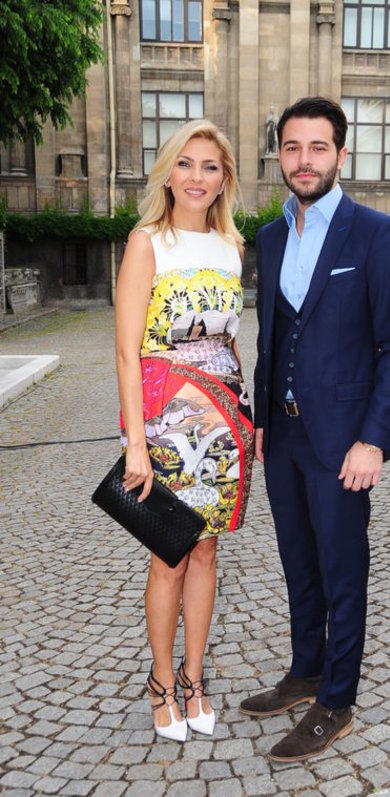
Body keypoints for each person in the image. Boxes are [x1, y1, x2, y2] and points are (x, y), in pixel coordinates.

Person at [240, 97, 390, 762]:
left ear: (341, 154)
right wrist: (262, 420)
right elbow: (272, 338)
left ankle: (336, 700)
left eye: (318, 147)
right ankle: (305, 672)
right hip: (283, 436)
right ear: (279, 154)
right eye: (292, 147)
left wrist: (373, 440)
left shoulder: (377, 234)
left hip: (344, 440)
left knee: (342, 571)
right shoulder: (269, 237)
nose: (304, 160)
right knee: (297, 563)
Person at [115, 120, 254, 743]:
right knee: (169, 552)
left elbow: (230, 341)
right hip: (164, 420)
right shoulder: (147, 242)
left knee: (206, 551)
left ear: (224, 180)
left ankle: (195, 680)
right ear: (168, 173)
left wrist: (246, 421)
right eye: (187, 164)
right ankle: (161, 682)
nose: (198, 177)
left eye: (211, 166)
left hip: (223, 417)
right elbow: (126, 352)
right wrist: (135, 445)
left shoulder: (232, 247)